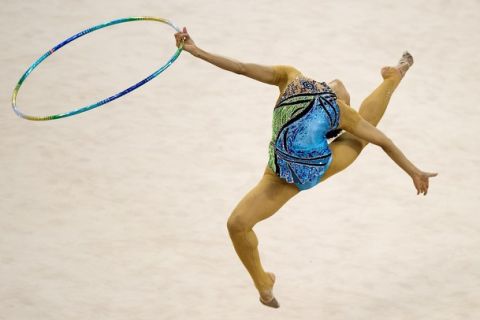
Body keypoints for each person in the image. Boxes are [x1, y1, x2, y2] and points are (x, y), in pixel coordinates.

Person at [174, 27, 437, 308]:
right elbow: (240, 68)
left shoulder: (336, 109)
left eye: (339, 94)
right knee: (237, 224)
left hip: (315, 168)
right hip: (276, 170)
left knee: (361, 135)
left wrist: (413, 170)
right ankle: (263, 283)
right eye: (334, 86)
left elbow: (382, 140)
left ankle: (393, 79)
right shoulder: (289, 76)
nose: (336, 88)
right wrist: (196, 50)